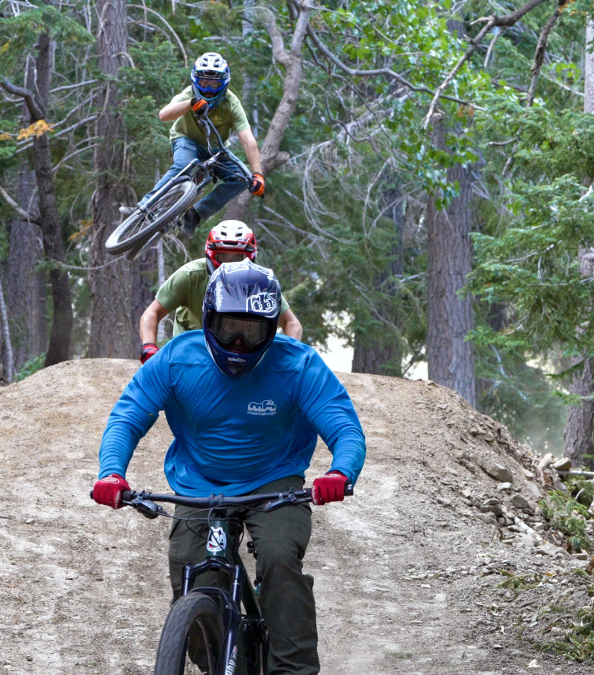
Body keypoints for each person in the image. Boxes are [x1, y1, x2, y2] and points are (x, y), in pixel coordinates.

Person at [92, 260, 366, 674]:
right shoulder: (175, 360)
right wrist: (112, 472)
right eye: (228, 327)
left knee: (278, 557)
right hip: (199, 483)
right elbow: (127, 418)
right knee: (192, 573)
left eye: (252, 330)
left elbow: (346, 430)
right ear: (207, 320)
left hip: (275, 483)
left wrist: (339, 473)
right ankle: (215, 654)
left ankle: (292, 668)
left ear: (272, 329)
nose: (238, 341)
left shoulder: (299, 365)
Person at [122, 52, 265, 236]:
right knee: (183, 165)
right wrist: (190, 103)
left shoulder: (231, 103)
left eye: (213, 84)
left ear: (223, 83)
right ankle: (146, 205)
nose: (208, 88)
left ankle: (195, 214)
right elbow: (164, 115)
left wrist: (258, 174)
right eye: (204, 82)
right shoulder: (189, 93)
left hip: (216, 149)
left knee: (241, 179)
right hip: (185, 139)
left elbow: (247, 140)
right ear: (195, 80)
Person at [139, 220, 302, 363]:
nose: (229, 264)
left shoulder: (260, 282)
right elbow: (152, 312)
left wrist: (288, 356)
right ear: (210, 255)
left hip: (238, 349)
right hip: (191, 346)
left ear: (250, 257)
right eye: (223, 256)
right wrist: (149, 347)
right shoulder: (190, 276)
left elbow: (292, 323)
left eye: (237, 258)